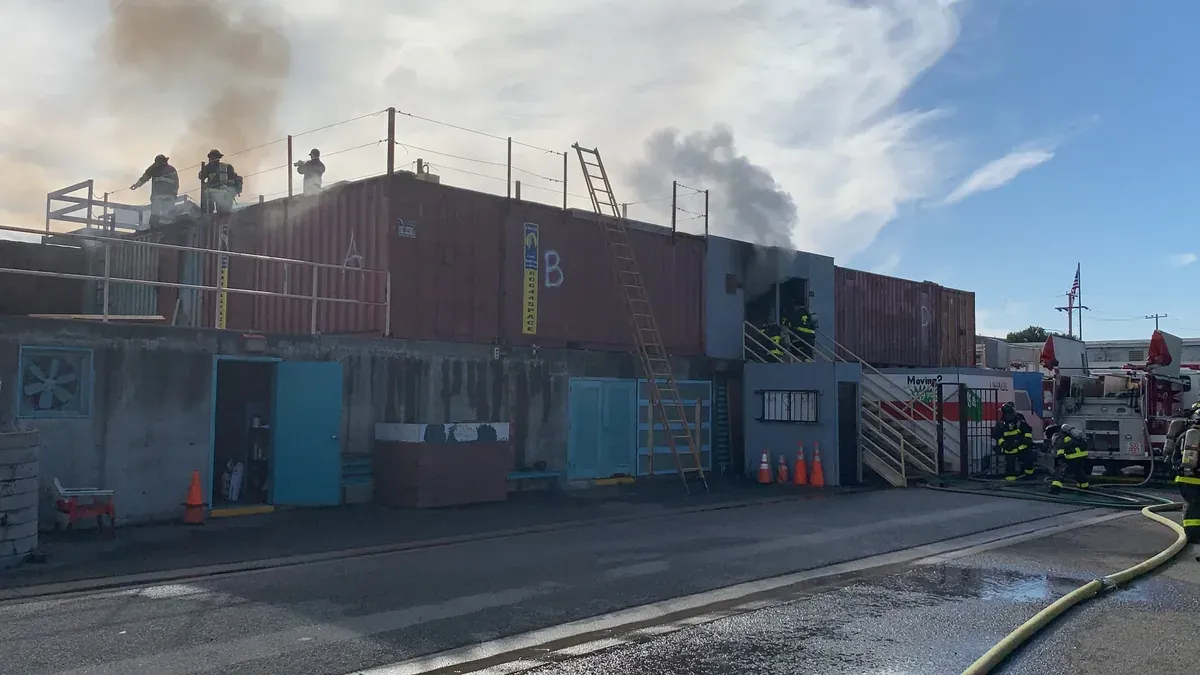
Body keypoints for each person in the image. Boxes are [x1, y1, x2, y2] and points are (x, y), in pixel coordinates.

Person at [1172, 410, 1200, 545]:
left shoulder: (1183, 436)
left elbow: (1174, 458)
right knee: (1195, 507)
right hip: (1196, 478)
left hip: (1185, 479)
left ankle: (1192, 533)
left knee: (1192, 505)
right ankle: (1193, 536)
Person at [129, 154, 179, 226]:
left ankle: (155, 227)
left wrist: (136, 185)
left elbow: (145, 177)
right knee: (169, 214)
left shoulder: (154, 168)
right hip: (169, 196)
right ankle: (169, 226)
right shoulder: (172, 169)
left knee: (156, 214)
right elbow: (176, 183)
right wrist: (174, 194)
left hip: (158, 196)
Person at [991, 401, 1035, 480]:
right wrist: (1003, 444)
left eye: (1011, 413)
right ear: (1004, 414)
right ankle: (1011, 482)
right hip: (1009, 449)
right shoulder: (1001, 424)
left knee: (1028, 459)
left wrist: (1028, 439)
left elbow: (1027, 430)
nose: (1010, 416)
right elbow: (997, 436)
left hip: (1022, 446)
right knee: (1010, 467)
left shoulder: (1019, 420)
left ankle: (1028, 476)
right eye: (1008, 414)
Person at [1045, 423, 1090, 493]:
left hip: (1071, 457)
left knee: (1059, 471)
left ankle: (1055, 489)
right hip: (1080, 456)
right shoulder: (1069, 435)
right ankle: (1084, 486)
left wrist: (1060, 455)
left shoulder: (1057, 436)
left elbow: (1060, 446)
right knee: (1078, 472)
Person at [198, 149, 242, 214]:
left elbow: (201, 176)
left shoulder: (209, 167)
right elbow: (237, 178)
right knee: (223, 213)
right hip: (223, 194)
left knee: (209, 213)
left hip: (213, 194)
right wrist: (235, 190)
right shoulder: (226, 167)